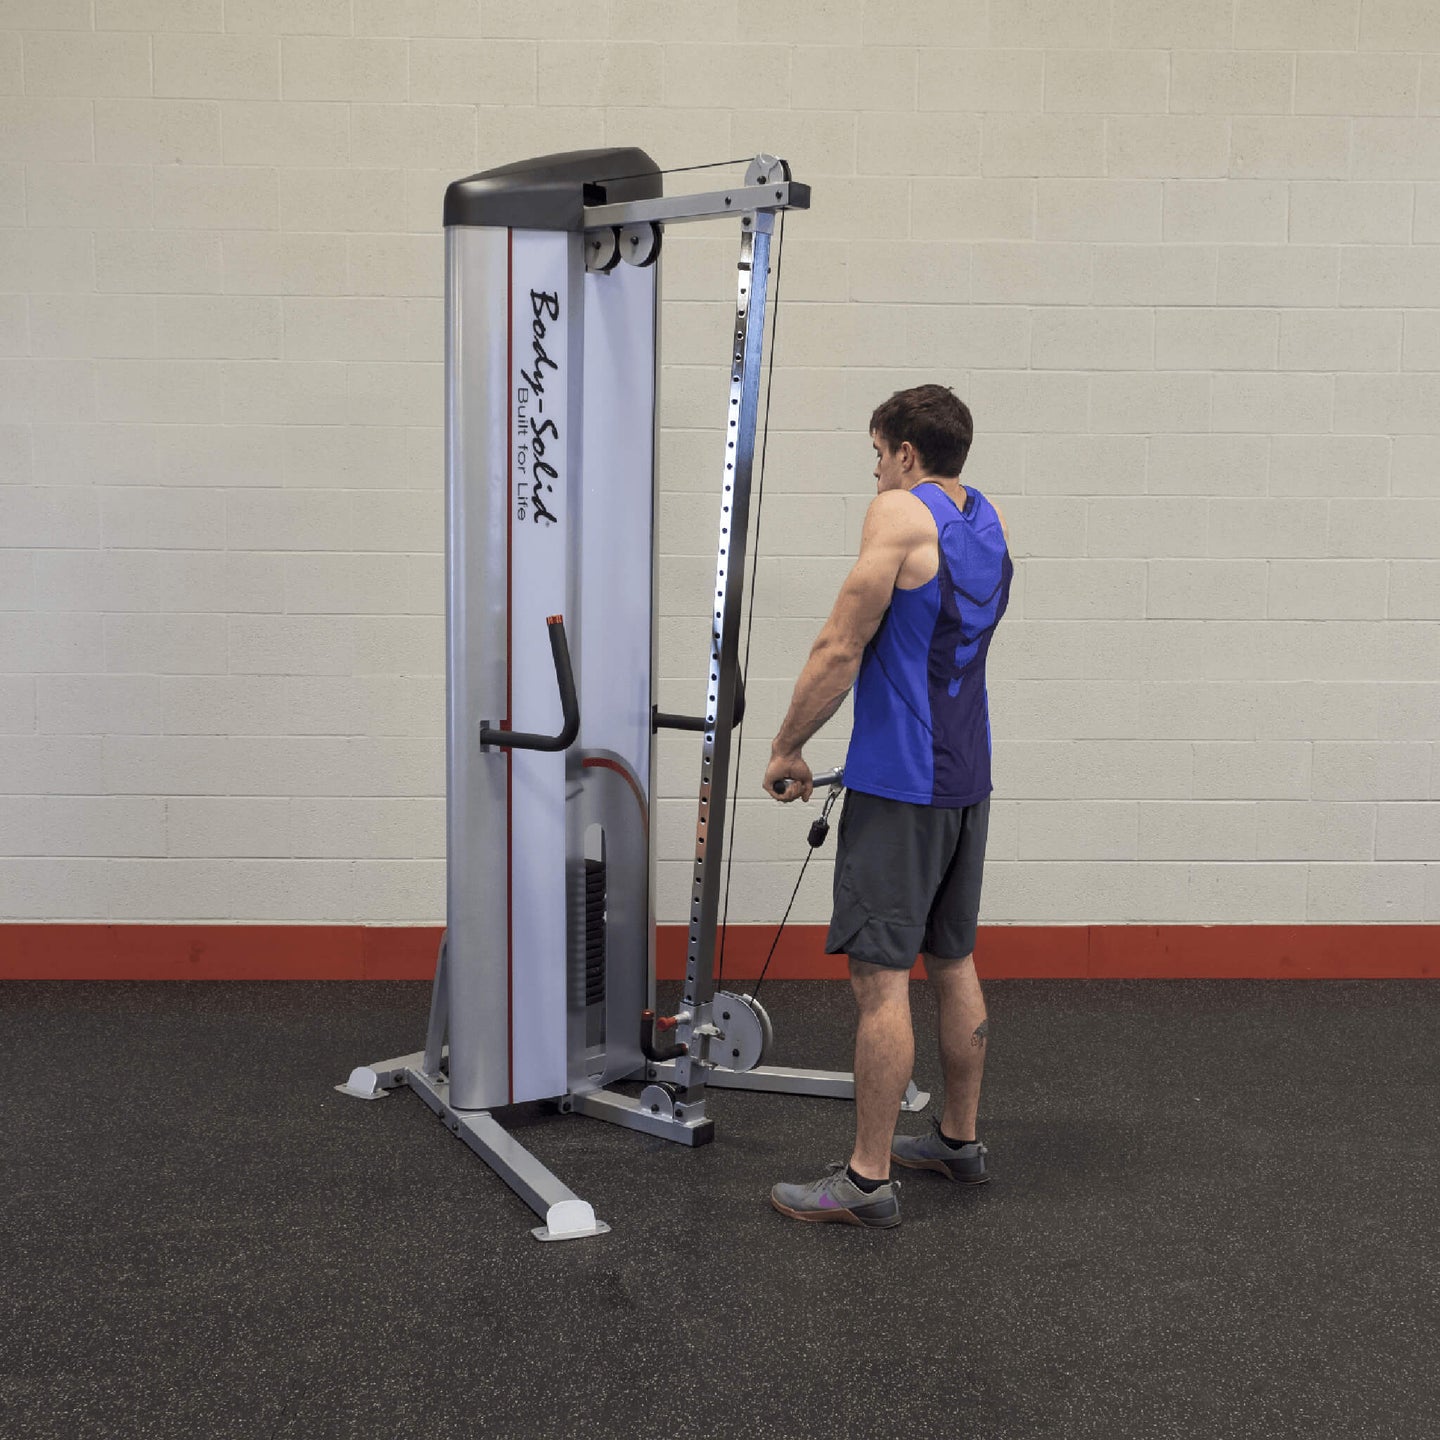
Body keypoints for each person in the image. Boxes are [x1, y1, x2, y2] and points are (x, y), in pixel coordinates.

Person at [763, 384, 1012, 1229]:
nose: (874, 472)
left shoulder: (900, 516)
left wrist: (787, 745)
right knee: (953, 959)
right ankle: (958, 1140)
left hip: (902, 785)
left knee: (879, 982)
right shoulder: (987, 520)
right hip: (966, 779)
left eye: (877, 454)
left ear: (907, 454)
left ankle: (866, 1181)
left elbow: (841, 645)